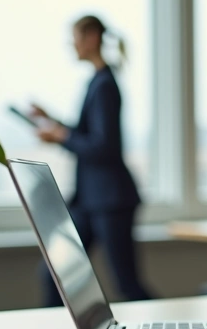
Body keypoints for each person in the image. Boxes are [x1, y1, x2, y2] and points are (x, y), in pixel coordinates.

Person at [30, 15, 151, 304]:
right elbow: (88, 133)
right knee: (56, 274)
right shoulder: (97, 82)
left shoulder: (105, 85)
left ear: (92, 37)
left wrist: (60, 136)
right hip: (89, 199)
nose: (72, 45)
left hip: (110, 200)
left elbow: (103, 146)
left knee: (127, 284)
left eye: (75, 37)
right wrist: (53, 122)